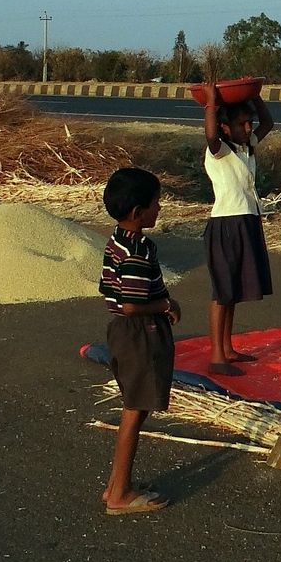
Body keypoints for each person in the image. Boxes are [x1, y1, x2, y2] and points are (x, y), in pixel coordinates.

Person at [99, 166, 181, 515]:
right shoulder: (137, 253)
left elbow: (110, 291)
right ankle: (120, 493)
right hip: (139, 334)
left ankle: (116, 484)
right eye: (155, 203)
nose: (159, 208)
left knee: (136, 405)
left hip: (122, 332)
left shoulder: (117, 240)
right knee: (135, 410)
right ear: (138, 213)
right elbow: (132, 304)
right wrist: (165, 304)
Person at [202, 89, 274, 376]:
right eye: (242, 123)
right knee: (222, 290)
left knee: (233, 290)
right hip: (226, 224)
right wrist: (210, 103)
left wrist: (256, 98)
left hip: (247, 219)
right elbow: (209, 134)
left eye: (249, 122)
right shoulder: (219, 150)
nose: (249, 128)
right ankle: (217, 355)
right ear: (224, 127)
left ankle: (228, 348)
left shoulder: (247, 146)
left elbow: (268, 124)